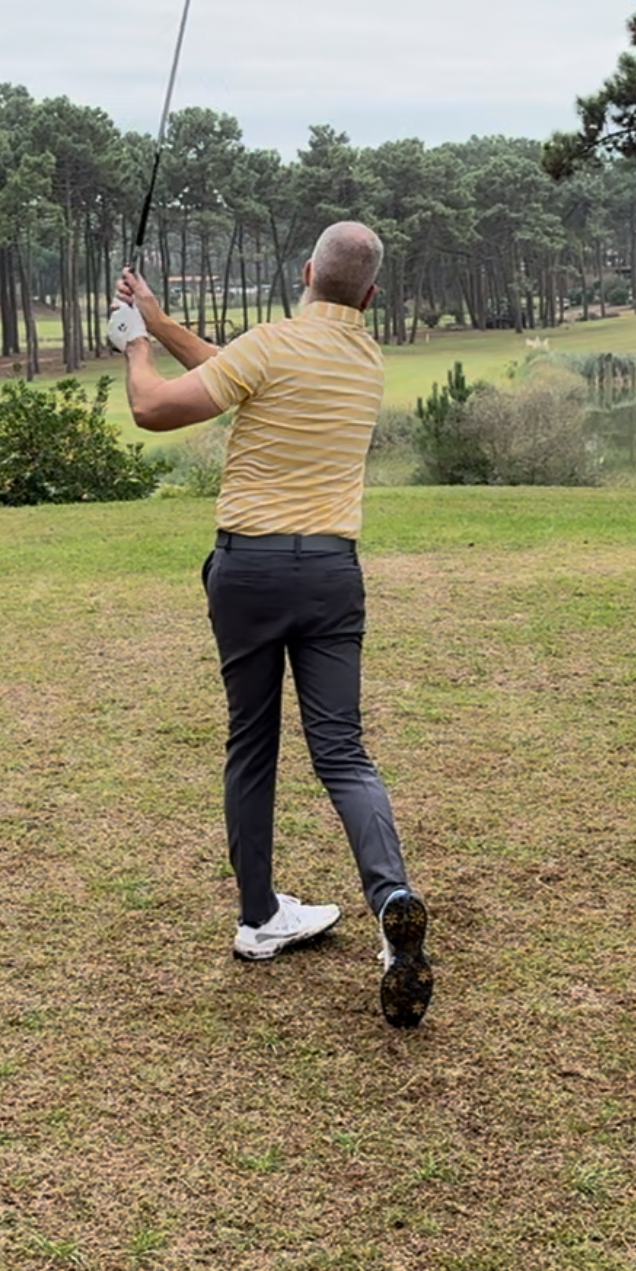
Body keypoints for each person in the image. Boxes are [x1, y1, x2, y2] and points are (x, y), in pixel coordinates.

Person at [107, 221, 432, 1029]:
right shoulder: (363, 358)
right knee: (342, 751)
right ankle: (390, 896)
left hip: (248, 572)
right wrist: (157, 313)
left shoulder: (270, 344)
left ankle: (258, 917)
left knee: (252, 743)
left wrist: (132, 342)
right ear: (370, 294)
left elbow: (152, 407)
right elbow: (236, 368)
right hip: (330, 573)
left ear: (306, 271)